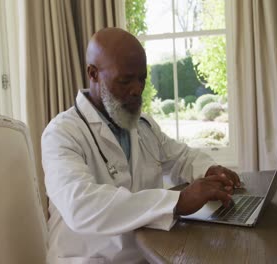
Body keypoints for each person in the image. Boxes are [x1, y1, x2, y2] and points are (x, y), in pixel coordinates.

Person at [41, 27, 240, 264]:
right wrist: (177, 202)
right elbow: (80, 206)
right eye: (125, 80)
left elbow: (181, 157)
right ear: (93, 73)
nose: (137, 90)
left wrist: (209, 170)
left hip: (148, 255)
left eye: (142, 78)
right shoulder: (61, 133)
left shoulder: (143, 125)